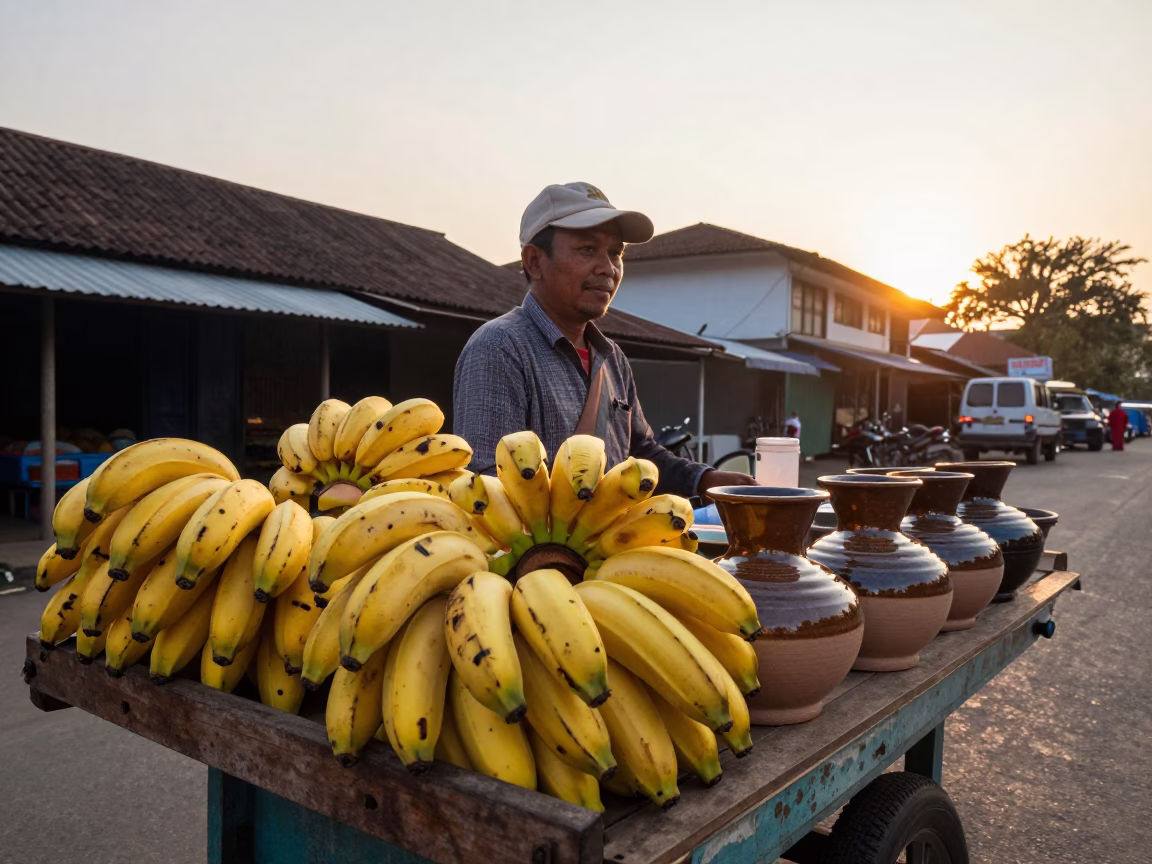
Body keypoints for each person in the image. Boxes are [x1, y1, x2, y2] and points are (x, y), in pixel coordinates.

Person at [453, 182, 757, 498]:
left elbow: (640, 453)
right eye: (588, 250)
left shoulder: (612, 358)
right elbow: (486, 484)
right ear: (534, 261)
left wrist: (705, 480)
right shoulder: (499, 347)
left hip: (614, 544)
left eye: (615, 253)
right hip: (535, 548)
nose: (608, 268)